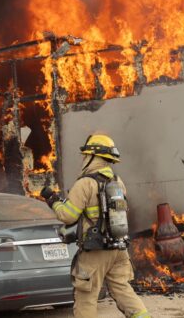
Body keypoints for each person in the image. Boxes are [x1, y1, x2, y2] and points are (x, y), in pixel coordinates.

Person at [40, 134, 150, 318]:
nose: (83, 158)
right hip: (118, 248)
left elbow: (68, 216)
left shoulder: (85, 183)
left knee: (86, 297)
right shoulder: (117, 181)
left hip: (95, 251)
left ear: (92, 156)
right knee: (123, 290)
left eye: (86, 155)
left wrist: (54, 201)